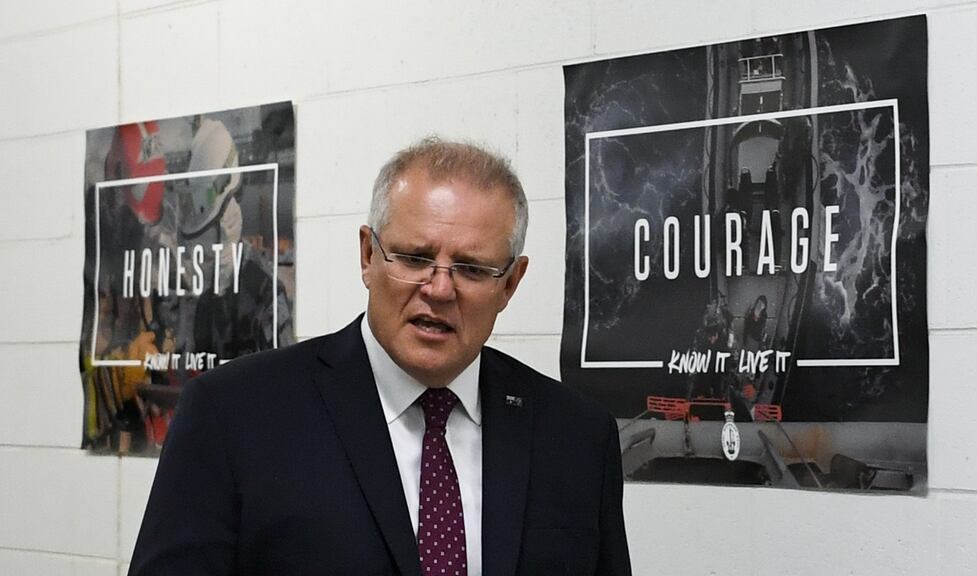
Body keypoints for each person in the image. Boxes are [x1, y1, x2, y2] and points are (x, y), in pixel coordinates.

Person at [128, 137, 632, 575]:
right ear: (368, 256)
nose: (439, 289)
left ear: (511, 283)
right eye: (414, 258)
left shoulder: (578, 437)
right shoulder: (233, 416)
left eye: (472, 268)